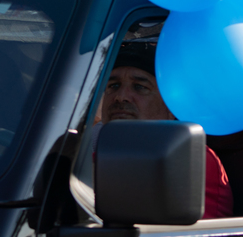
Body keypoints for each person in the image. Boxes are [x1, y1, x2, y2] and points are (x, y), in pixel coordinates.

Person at [100, 43, 233, 220]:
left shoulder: (188, 157)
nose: (120, 96)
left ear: (171, 107)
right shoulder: (86, 148)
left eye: (140, 87)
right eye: (113, 85)